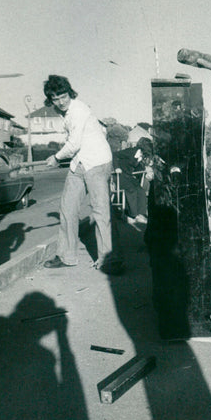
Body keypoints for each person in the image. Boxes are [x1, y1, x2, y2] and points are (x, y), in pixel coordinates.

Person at [41, 75, 123, 276]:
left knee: (101, 211)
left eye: (63, 96)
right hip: (79, 163)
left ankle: (110, 259)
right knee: (67, 208)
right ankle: (66, 256)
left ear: (70, 93)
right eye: (55, 99)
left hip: (97, 162)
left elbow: (74, 143)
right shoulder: (65, 112)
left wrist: (56, 157)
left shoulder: (79, 110)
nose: (61, 102)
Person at [113, 137, 155, 224]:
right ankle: (133, 215)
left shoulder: (140, 155)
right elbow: (115, 155)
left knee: (141, 191)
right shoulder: (131, 151)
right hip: (119, 176)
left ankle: (141, 214)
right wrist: (116, 167)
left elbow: (136, 166)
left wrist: (145, 170)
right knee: (131, 190)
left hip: (128, 176)